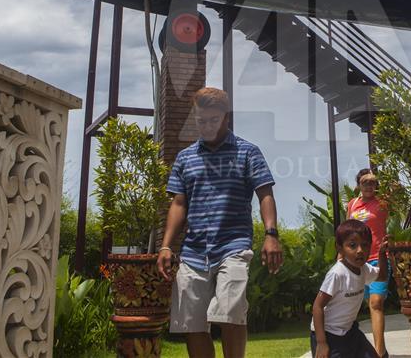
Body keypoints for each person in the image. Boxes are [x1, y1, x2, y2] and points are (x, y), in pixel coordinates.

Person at [156, 87, 283, 358]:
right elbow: (178, 204)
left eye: (213, 120)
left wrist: (271, 234)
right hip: (193, 252)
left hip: (233, 247)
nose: (207, 126)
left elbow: (265, 194)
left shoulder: (248, 152)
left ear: (227, 118)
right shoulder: (186, 157)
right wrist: (166, 246)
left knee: (231, 313)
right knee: (192, 322)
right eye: (201, 121)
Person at [311, 220, 389, 358]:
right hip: (329, 335)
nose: (360, 250)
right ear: (340, 248)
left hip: (350, 332)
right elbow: (318, 306)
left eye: (365, 245)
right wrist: (321, 343)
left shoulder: (364, 269)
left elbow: (382, 276)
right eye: (352, 245)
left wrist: (382, 254)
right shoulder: (337, 274)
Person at [345, 168, 389, 357]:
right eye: (365, 182)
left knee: (376, 302)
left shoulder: (383, 202)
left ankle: (379, 352)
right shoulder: (353, 204)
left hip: (378, 257)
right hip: (357, 260)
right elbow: (347, 230)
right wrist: (342, 256)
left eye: (373, 182)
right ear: (359, 185)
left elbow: (401, 195)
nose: (369, 185)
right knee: (359, 303)